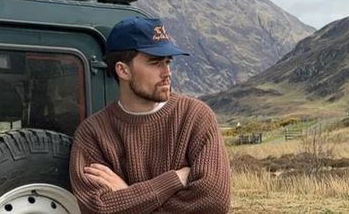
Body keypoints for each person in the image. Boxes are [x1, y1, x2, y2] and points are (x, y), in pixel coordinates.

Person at [69, 17, 231, 214]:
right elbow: (98, 208)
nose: (167, 72)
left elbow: (214, 202)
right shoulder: (92, 134)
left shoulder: (195, 116)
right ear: (123, 70)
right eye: (155, 62)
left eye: (168, 61)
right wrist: (174, 180)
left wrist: (128, 195)